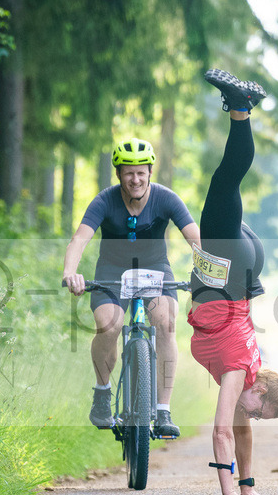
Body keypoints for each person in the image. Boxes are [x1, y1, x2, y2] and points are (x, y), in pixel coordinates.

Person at [188, 68, 278, 495]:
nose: (255, 418)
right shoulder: (239, 370)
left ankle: (243, 106)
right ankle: (240, 107)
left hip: (245, 272)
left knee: (227, 192)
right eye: (262, 412)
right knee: (225, 180)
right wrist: (231, 491)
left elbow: (236, 425)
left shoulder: (252, 368)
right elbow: (221, 432)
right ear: (258, 391)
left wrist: (249, 485)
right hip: (231, 269)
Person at [63, 137, 201, 437]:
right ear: (118, 174)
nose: (135, 179)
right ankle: (102, 392)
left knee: (165, 324)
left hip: (155, 270)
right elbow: (79, 240)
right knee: (109, 326)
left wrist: (206, 272)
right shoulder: (104, 200)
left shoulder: (167, 199)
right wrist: (70, 272)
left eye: (141, 172)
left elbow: (195, 238)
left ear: (150, 171)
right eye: (128, 172)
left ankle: (163, 411)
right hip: (112, 271)